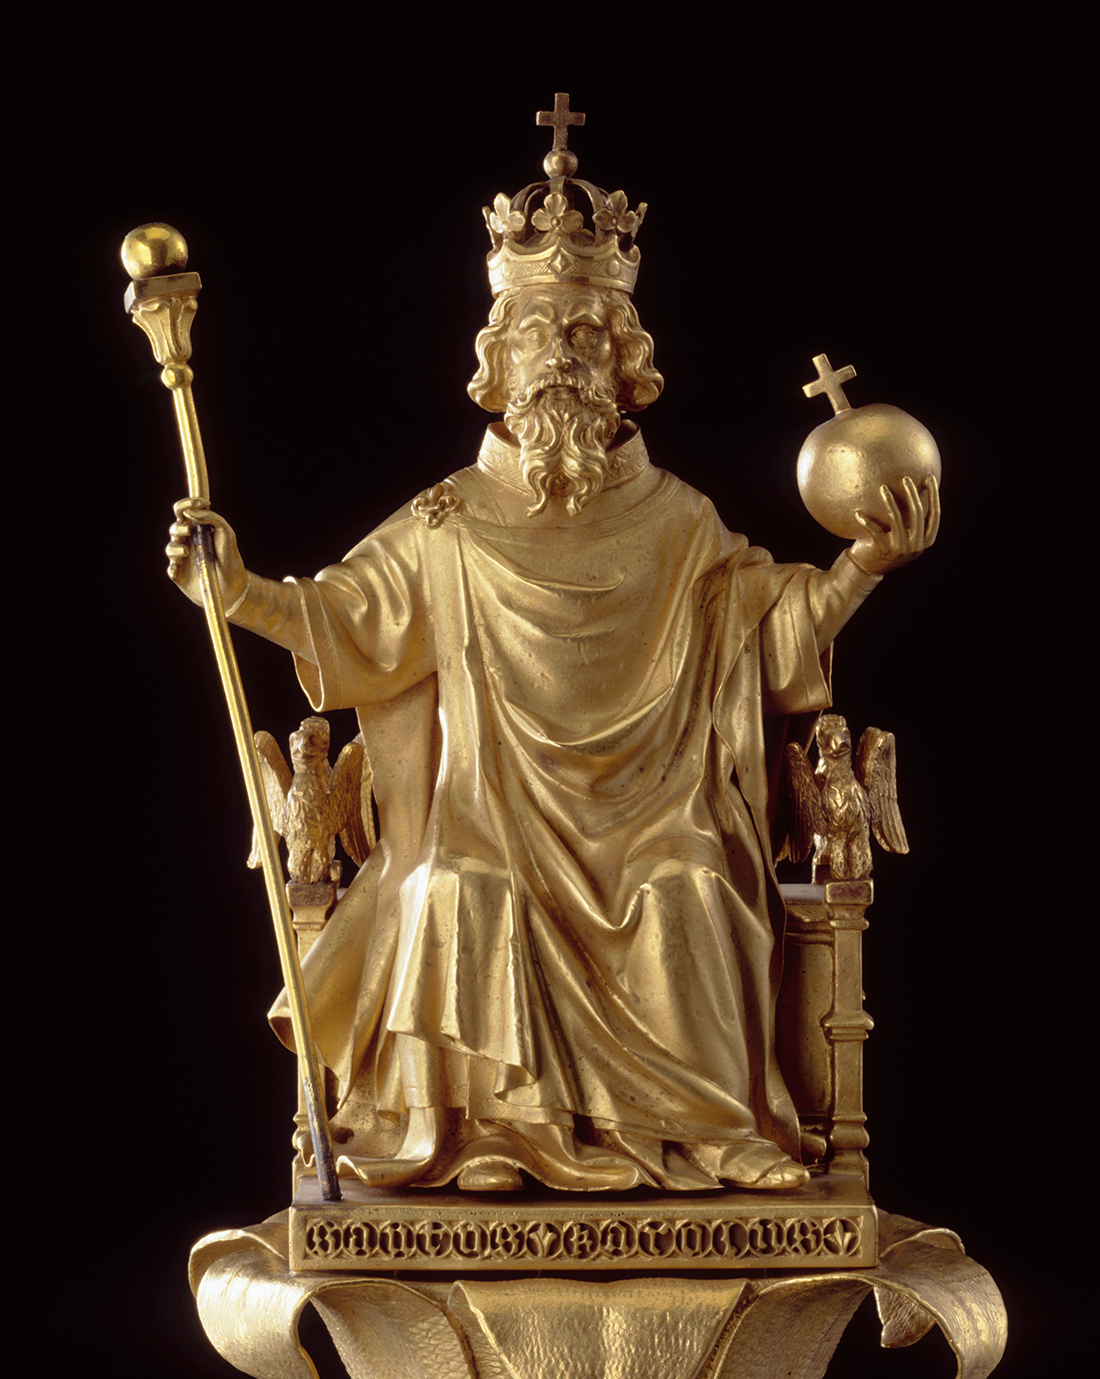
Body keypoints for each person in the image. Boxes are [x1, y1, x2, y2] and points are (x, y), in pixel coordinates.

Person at [166, 133, 937, 1195]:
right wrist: (237, 590)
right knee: (450, 891)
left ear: (626, 367)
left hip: (654, 817)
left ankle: (712, 1138)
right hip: (489, 817)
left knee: (687, 890)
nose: (560, 356)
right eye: (535, 334)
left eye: (584, 334)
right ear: (498, 366)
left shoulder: (679, 523)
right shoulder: (446, 522)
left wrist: (861, 565)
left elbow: (768, 634)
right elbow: (341, 615)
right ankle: (490, 1140)